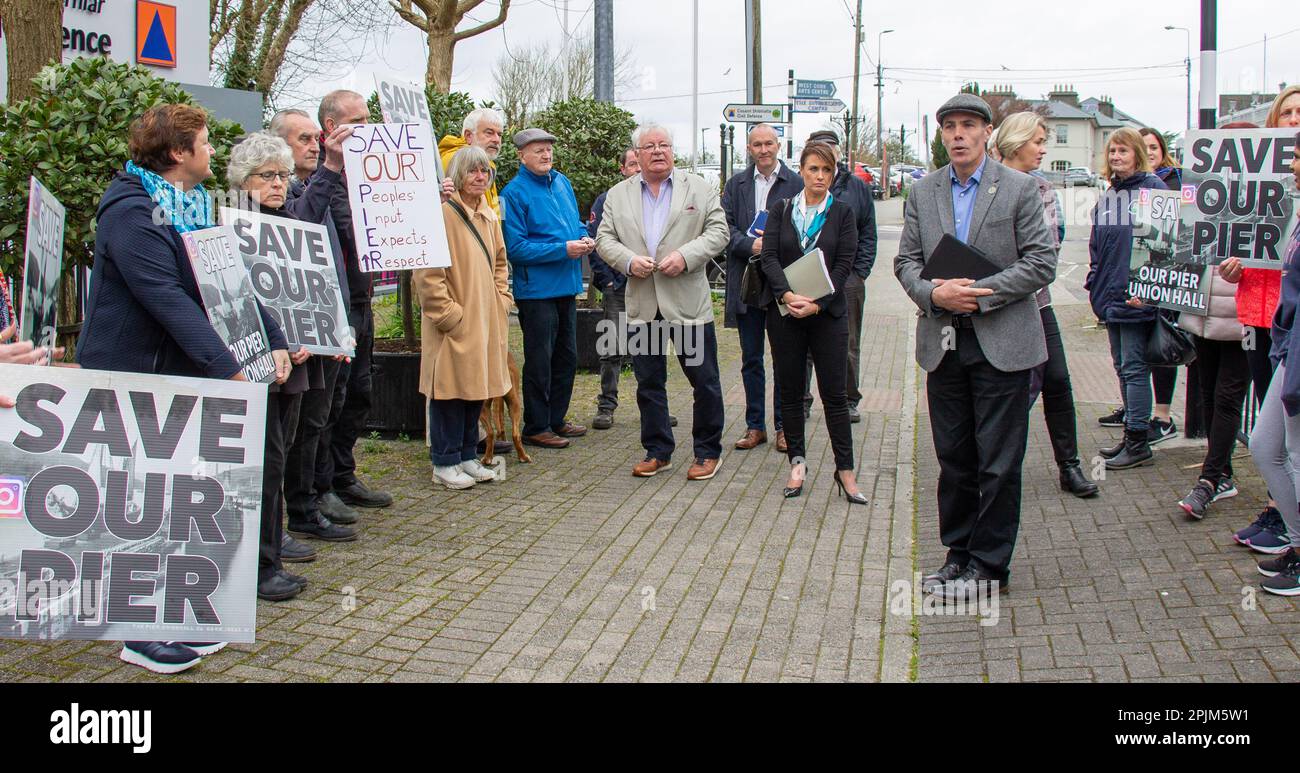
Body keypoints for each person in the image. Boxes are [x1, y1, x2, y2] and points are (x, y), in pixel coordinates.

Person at [77, 104, 291, 673]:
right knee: (137, 505)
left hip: (175, 374)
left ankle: (170, 617)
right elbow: (166, 296)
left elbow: (230, 285)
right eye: (204, 141)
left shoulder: (193, 209)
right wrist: (228, 369)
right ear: (178, 152)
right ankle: (136, 634)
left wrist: (272, 340)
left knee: (171, 502)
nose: (213, 151)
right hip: (133, 374)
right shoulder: (131, 210)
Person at [894, 93, 1057, 601]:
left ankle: (989, 569)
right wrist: (935, 293)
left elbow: (1041, 263)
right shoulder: (923, 192)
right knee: (954, 459)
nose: (958, 134)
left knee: (998, 462)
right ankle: (958, 555)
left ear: (988, 133)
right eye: (949, 127)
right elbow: (906, 263)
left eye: (968, 125)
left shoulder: (1019, 188)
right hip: (942, 343)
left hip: (1002, 341)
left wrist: (979, 296)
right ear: (940, 135)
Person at [231, 131, 361, 553]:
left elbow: (313, 282)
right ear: (242, 178)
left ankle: (295, 516)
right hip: (265, 356)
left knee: (297, 437)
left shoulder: (289, 217)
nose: (277, 183)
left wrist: (333, 331)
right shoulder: (234, 223)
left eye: (283, 175)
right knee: (269, 446)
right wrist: (282, 339)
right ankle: (269, 533)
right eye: (266, 175)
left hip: (304, 351)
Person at [595, 124, 730, 480]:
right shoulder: (618, 195)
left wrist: (686, 256)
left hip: (686, 307)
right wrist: (627, 261)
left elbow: (719, 232)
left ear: (674, 151)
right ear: (636, 155)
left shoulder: (698, 189)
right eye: (649, 146)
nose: (658, 151)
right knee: (649, 382)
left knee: (704, 381)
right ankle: (658, 450)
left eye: (664, 145)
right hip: (644, 306)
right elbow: (604, 238)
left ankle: (707, 452)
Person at [992, 112, 1098, 498]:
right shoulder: (984, 182)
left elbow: (1048, 250)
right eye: (1037, 141)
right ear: (1016, 142)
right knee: (1006, 392)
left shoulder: (1042, 189)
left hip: (1036, 304)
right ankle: (998, 470)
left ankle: (1069, 466)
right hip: (993, 310)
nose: (1042, 149)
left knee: (1057, 380)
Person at [270, 108, 358, 553]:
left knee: (320, 419)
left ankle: (310, 502)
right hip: (295, 336)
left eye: (315, 137)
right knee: (296, 428)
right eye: (303, 138)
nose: (314, 144)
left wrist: (339, 324)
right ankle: (296, 512)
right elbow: (298, 233)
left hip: (327, 324)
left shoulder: (314, 189)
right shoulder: (280, 198)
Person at [760, 141, 865, 504]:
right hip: (787, 315)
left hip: (827, 317)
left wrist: (818, 305)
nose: (820, 176)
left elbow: (844, 266)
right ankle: (797, 465)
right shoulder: (781, 209)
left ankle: (846, 471)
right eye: (813, 169)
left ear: (833, 174)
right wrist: (788, 296)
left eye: (827, 170)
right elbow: (769, 258)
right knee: (789, 393)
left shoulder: (843, 213)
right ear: (801, 171)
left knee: (834, 397)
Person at [416, 146, 513, 489]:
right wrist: (448, 315)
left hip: (487, 319)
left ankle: (466, 455)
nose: (480, 177)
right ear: (457, 175)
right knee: (448, 392)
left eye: (484, 171)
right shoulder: (441, 215)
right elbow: (428, 274)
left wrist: (502, 299)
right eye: (472, 171)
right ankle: (444, 461)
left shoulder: (488, 215)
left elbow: (501, 262)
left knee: (477, 389)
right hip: (457, 323)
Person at [1225, 105, 1299, 550]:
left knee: (1287, 443)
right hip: (1264, 319)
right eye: (1286, 112)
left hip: (1289, 328)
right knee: (1270, 440)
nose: (1293, 119)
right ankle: (1280, 514)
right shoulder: (1264, 190)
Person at [316, 89, 395, 512]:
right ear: (333, 128)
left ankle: (344, 475)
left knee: (360, 392)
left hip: (362, 301)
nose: (369, 128)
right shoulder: (321, 179)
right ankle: (320, 484)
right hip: (337, 304)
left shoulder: (373, 173)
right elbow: (351, 231)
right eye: (359, 121)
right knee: (335, 396)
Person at [500, 128, 591, 449]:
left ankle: (556, 419)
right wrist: (563, 249)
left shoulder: (562, 183)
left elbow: (575, 223)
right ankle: (536, 425)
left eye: (549, 149)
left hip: (567, 286)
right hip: (536, 292)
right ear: (521, 156)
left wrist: (583, 236)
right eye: (538, 150)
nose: (545, 155)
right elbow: (516, 248)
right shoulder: (513, 193)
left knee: (567, 357)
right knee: (540, 360)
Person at [1087, 127, 1168, 470]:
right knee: (1122, 366)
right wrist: (1094, 281)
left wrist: (1150, 291)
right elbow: (1097, 243)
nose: (1116, 157)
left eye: (1123, 151)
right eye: (1112, 152)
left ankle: (1138, 440)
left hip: (1137, 298)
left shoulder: (1154, 191)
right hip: (1110, 296)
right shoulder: (1109, 196)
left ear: (1137, 153)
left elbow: (1164, 247)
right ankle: (1131, 435)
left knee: (1134, 368)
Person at [721, 123, 802, 452]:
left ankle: (784, 426)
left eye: (769, 143)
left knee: (785, 358)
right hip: (747, 281)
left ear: (778, 145)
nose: (764, 150)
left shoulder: (796, 183)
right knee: (751, 358)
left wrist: (772, 247)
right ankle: (756, 426)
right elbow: (723, 226)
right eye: (757, 144)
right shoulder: (736, 184)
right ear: (749, 148)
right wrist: (747, 245)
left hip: (783, 282)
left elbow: (806, 227)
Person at [1245, 130, 1300, 594]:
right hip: (1289, 348)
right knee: (1266, 447)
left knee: (1297, 457)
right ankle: (1297, 544)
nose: (1293, 166)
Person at [589, 147, 679, 430]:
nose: (637, 168)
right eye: (631, 164)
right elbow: (595, 243)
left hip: (652, 288)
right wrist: (608, 280)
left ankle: (655, 409)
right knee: (612, 347)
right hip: (619, 287)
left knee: (652, 348)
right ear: (623, 168)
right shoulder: (608, 200)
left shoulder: (663, 196)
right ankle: (607, 406)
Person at [800, 129, 878, 425]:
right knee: (805, 344)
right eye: (817, 154)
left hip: (847, 281)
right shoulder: (801, 186)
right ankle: (802, 401)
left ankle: (848, 400)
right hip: (808, 279)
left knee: (846, 343)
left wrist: (859, 273)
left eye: (830, 151)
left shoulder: (856, 188)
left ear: (838, 153)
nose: (822, 168)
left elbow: (868, 231)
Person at [439, 107, 506, 215]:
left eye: (499, 134)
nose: (496, 140)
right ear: (468, 136)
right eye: (489, 133)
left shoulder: (489, 164)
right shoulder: (454, 160)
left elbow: (495, 211)